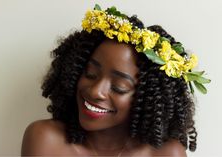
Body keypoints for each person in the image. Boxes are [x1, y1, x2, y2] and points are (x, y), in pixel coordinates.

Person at [21, 4, 210, 156]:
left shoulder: (168, 154)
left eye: (119, 87)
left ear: (150, 100)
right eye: (90, 74)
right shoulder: (45, 140)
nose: (96, 91)